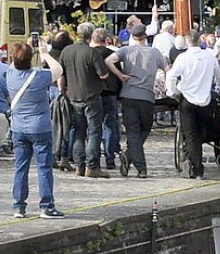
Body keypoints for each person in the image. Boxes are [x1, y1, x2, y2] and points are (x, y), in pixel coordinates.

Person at [7, 41, 65, 218]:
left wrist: (25, 47)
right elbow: (59, 69)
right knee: (44, 167)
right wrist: (45, 53)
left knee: (20, 167)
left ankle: (18, 206)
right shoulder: (39, 77)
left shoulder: (10, 74)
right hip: (39, 126)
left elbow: (14, 62)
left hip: (18, 127)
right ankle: (46, 206)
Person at [106, 17, 167, 178]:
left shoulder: (126, 51)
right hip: (147, 96)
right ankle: (141, 166)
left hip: (129, 95)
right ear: (145, 36)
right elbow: (168, 69)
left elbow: (108, 61)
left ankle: (129, 156)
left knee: (133, 131)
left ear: (132, 36)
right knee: (144, 129)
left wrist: (120, 75)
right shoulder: (155, 52)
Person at [167, 30, 220, 180]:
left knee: (191, 136)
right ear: (200, 40)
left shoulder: (183, 57)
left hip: (187, 98)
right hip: (205, 99)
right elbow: (218, 75)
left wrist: (172, 92)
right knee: (201, 131)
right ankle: (197, 162)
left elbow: (171, 75)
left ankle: (197, 169)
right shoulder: (210, 55)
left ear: (187, 41)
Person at [58, 23, 109, 178]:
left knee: (79, 132)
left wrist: (63, 90)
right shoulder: (92, 53)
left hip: (73, 97)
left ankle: (80, 165)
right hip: (91, 96)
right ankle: (92, 166)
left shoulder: (66, 51)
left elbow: (61, 74)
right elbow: (103, 75)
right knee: (94, 132)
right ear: (90, 35)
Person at [92, 28, 122, 170]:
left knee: (94, 127)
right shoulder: (113, 55)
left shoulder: (90, 54)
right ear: (106, 40)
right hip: (110, 93)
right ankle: (110, 158)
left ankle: (94, 158)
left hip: (94, 93)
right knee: (110, 126)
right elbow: (119, 75)